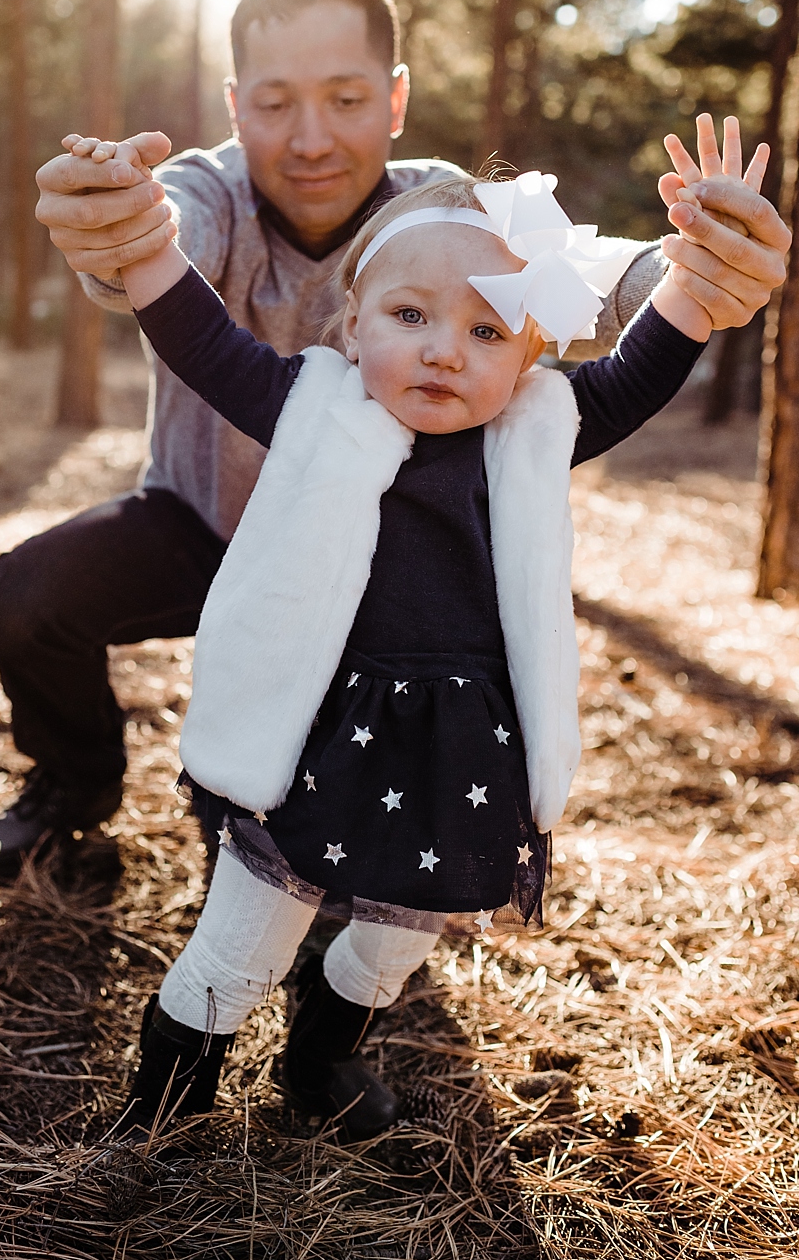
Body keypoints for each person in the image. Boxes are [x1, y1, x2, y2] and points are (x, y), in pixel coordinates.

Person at [0, 0, 794, 884]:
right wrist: (116, 224)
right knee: (28, 596)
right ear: (236, 107)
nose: (310, 137)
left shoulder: (455, 209)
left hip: (376, 561)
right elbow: (159, 239)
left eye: (346, 98)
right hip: (200, 523)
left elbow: (590, 280)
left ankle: (346, 857)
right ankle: (73, 787)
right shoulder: (208, 191)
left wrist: (694, 273)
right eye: (275, 103)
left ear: (395, 99)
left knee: (281, 842)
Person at [79, 131, 769, 1138]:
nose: (445, 349)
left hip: (456, 752)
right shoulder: (311, 405)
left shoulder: (528, 433)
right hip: (311, 737)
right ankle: (164, 1112)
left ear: (528, 356)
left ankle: (320, 1057)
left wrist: (701, 276)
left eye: (487, 330)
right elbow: (198, 338)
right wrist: (140, 239)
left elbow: (641, 367)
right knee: (245, 942)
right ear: (352, 324)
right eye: (410, 315)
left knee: (397, 938)